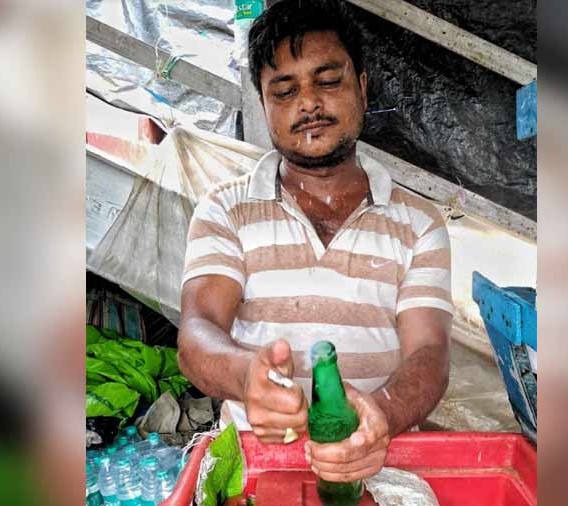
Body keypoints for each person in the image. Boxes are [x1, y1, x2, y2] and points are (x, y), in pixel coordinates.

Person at [177, 0, 452, 484]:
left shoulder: (420, 222)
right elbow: (197, 333)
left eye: (327, 81)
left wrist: (382, 414)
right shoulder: (226, 210)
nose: (308, 103)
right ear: (264, 105)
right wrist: (245, 376)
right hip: (254, 472)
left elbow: (429, 352)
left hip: (377, 463)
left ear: (362, 88)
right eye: (284, 90)